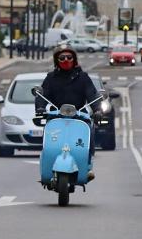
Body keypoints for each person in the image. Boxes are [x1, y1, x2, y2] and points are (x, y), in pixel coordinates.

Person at [34, 44, 102, 181]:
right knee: (49, 140)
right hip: (56, 116)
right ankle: (49, 163)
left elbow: (92, 94)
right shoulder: (51, 78)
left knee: (90, 130)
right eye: (62, 57)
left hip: (79, 115)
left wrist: (97, 110)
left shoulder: (83, 78)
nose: (66, 60)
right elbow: (43, 94)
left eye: (69, 57)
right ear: (56, 60)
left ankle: (88, 166)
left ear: (75, 59)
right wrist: (40, 108)